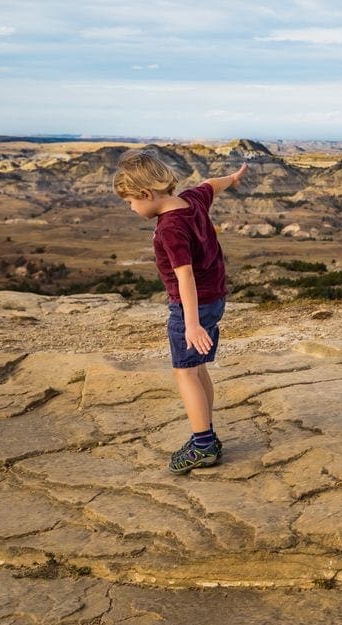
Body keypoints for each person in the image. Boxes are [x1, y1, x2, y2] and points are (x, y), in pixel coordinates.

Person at [113, 150, 248, 474]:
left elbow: (184, 276)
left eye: (130, 201)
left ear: (147, 194)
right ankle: (207, 434)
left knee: (185, 372)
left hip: (192, 306)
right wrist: (232, 178)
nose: (131, 208)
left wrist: (190, 325)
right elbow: (210, 185)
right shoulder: (191, 200)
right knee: (198, 368)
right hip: (214, 299)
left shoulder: (170, 228)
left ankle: (203, 445)